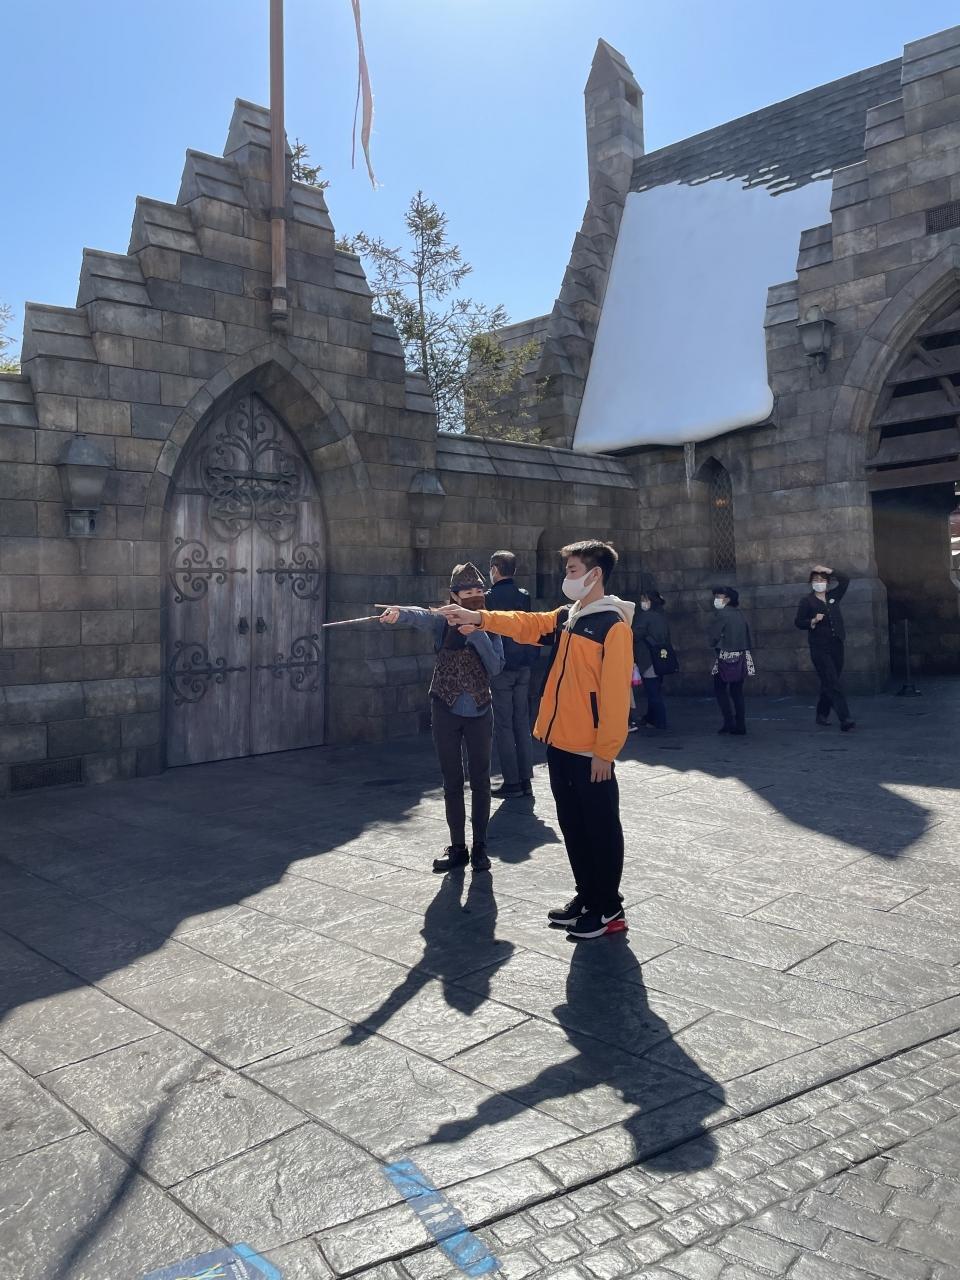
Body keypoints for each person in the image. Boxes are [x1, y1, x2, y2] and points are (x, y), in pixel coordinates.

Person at [439, 539, 634, 940]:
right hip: (559, 742)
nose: (567, 577)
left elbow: (616, 696)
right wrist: (479, 618)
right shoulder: (568, 617)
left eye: (573, 570)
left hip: (590, 750)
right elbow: (526, 624)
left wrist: (605, 751)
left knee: (599, 826)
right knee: (573, 824)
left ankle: (608, 909)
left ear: (595, 574)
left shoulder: (612, 625)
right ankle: (587, 896)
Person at [380, 563, 504, 873]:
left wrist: (477, 635)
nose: (474, 596)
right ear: (454, 596)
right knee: (452, 780)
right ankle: (458, 847)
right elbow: (420, 615)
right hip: (445, 707)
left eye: (479, 591)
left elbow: (496, 666)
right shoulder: (443, 621)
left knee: (481, 780)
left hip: (480, 709)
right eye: (468, 592)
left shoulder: (490, 622)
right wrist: (398, 612)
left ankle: (480, 847)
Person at [486, 550, 538, 798]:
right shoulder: (523, 596)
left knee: (504, 724)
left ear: (495, 569)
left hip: (502, 665)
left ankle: (512, 781)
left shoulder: (489, 598)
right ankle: (525, 779)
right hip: (524, 664)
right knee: (521, 721)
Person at [795, 564, 855, 732]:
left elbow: (845, 580)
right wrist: (812, 621)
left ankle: (822, 713)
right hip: (819, 647)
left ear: (827, 582)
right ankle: (845, 718)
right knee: (833, 682)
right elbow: (798, 622)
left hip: (837, 644)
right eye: (815, 580)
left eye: (822, 580)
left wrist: (830, 571)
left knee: (829, 681)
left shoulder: (833, 596)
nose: (819, 582)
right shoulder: (807, 601)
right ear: (811, 583)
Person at [710, 585, 752, 736]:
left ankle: (728, 721)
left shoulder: (722, 614)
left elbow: (713, 636)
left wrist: (716, 643)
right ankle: (740, 724)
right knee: (737, 691)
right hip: (740, 655)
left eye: (718, 596)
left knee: (720, 689)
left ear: (727, 599)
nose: (716, 599)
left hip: (725, 655)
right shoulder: (739, 614)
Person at [631, 590, 671, 732]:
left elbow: (635, 634)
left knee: (652, 691)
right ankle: (651, 718)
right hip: (661, 657)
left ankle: (660, 721)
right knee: (655, 689)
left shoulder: (646, 617)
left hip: (648, 658)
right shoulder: (661, 615)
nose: (642, 602)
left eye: (645, 599)